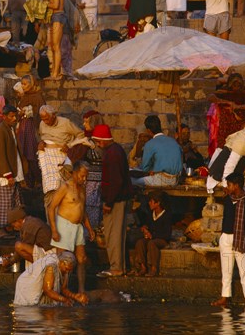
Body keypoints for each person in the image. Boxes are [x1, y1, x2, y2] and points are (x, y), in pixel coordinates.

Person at [48, 161, 95, 294]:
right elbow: (51, 207)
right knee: (63, 260)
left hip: (78, 227)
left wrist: (89, 228)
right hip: (64, 225)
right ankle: (61, 290)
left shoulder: (83, 188)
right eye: (82, 176)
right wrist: (54, 230)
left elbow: (82, 209)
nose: (84, 179)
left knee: (82, 259)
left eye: (86, 176)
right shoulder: (65, 187)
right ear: (74, 173)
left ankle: (81, 290)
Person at [92, 124, 133, 278]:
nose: (97, 145)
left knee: (113, 234)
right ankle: (119, 266)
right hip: (118, 198)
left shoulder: (112, 154)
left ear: (101, 141)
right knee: (117, 233)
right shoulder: (115, 150)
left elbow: (116, 181)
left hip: (115, 200)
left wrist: (108, 203)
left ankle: (116, 267)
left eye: (97, 142)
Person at [212, 173, 245, 309]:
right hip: (226, 238)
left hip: (240, 239)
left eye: (229, 185)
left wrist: (244, 236)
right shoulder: (227, 199)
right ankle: (225, 297)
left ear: (236, 186)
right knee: (226, 270)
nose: (227, 187)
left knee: (244, 269)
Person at [37, 105, 87, 215]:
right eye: (42, 119)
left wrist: (69, 145)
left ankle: (63, 218)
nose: (44, 121)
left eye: (46, 118)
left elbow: (81, 135)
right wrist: (41, 143)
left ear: (54, 115)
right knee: (50, 189)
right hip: (47, 158)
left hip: (61, 157)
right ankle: (50, 219)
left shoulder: (65, 123)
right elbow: (42, 138)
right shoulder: (42, 124)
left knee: (62, 188)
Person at [207, 117, 245, 194]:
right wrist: (226, 185)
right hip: (220, 177)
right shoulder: (242, 141)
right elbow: (230, 165)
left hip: (234, 179)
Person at [206, 73, 245, 157]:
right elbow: (210, 97)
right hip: (226, 122)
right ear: (230, 84)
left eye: (238, 85)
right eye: (234, 85)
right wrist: (226, 102)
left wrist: (237, 107)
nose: (236, 87)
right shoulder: (224, 90)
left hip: (241, 121)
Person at [0, 105, 26, 231]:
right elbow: (0, 155)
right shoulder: (0, 131)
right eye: (11, 116)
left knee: (15, 203)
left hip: (14, 172)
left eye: (15, 116)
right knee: (4, 205)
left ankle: (13, 228)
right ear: (4, 116)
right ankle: (2, 229)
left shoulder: (10, 129)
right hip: (5, 176)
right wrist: (8, 175)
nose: (14, 118)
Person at [14, 251, 87, 306]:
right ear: (62, 262)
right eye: (67, 269)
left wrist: (74, 296)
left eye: (70, 270)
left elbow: (63, 289)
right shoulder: (51, 266)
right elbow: (47, 290)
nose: (67, 272)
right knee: (30, 310)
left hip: (36, 284)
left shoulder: (65, 268)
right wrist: (64, 300)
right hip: (27, 284)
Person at [132, 115, 182, 188]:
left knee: (130, 180)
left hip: (162, 180)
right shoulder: (173, 141)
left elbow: (145, 169)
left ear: (148, 130)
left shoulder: (150, 144)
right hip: (176, 180)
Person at [133, 190, 172, 277]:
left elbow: (167, 234)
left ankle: (154, 268)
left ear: (157, 203)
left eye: (151, 201)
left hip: (162, 239)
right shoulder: (151, 214)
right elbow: (149, 224)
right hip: (152, 237)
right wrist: (145, 227)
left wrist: (153, 236)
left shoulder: (166, 215)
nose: (149, 203)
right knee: (140, 242)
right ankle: (143, 267)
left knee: (152, 243)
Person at [33, 0, 65, 79]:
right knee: (51, 46)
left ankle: (56, 74)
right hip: (52, 18)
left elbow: (56, 5)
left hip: (58, 17)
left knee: (56, 46)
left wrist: (42, 4)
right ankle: (55, 72)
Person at [17, 75, 45, 188]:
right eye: (22, 84)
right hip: (23, 128)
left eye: (25, 84)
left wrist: (30, 112)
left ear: (32, 84)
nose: (23, 86)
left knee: (32, 154)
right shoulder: (24, 97)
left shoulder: (38, 97)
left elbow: (41, 112)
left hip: (32, 128)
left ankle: (37, 180)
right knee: (23, 154)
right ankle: (27, 181)